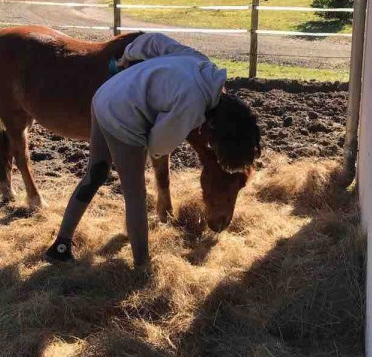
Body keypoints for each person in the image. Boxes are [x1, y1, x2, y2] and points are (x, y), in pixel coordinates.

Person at [44, 32, 260, 268]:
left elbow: (154, 41)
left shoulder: (203, 65)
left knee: (95, 173)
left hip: (106, 94)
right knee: (135, 193)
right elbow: (158, 146)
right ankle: (142, 266)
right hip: (123, 114)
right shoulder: (193, 105)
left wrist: (127, 57)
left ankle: (61, 246)